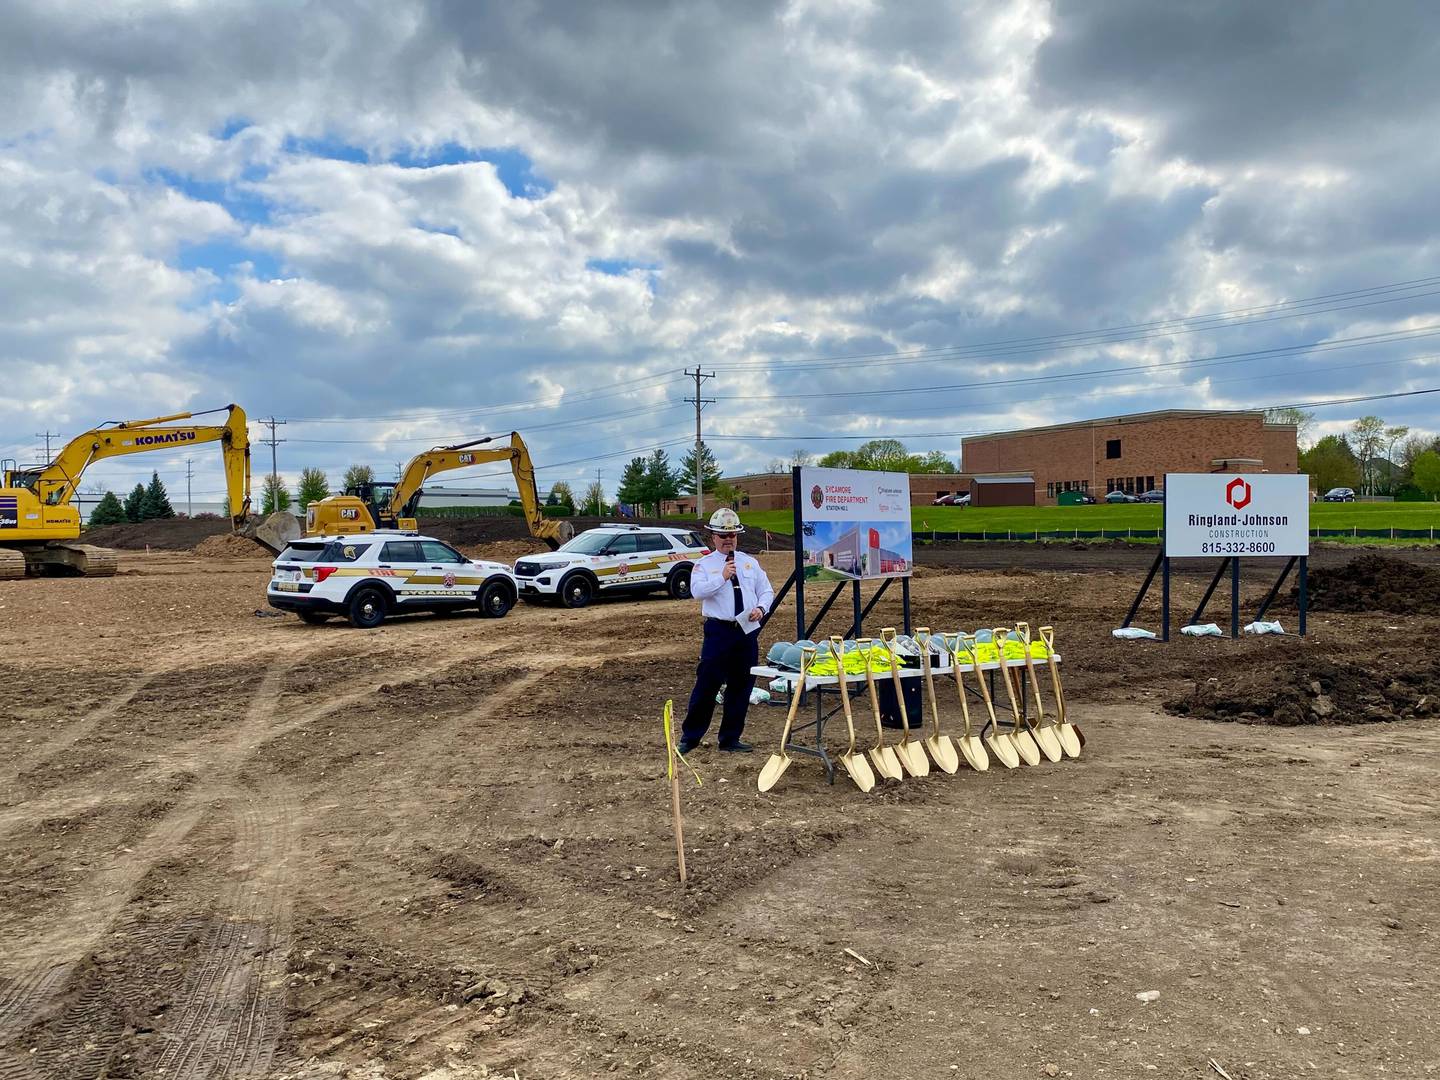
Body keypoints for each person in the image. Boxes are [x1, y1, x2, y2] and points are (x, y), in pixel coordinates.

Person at [678, 507, 775, 754]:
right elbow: (697, 592)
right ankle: (691, 737)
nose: (728, 540)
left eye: (732, 535)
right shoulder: (704, 565)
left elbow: (766, 590)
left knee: (741, 685)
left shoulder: (749, 563)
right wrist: (722, 576)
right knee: (707, 684)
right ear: (713, 537)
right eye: (723, 536)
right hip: (719, 631)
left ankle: (730, 738)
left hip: (746, 630)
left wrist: (761, 608)